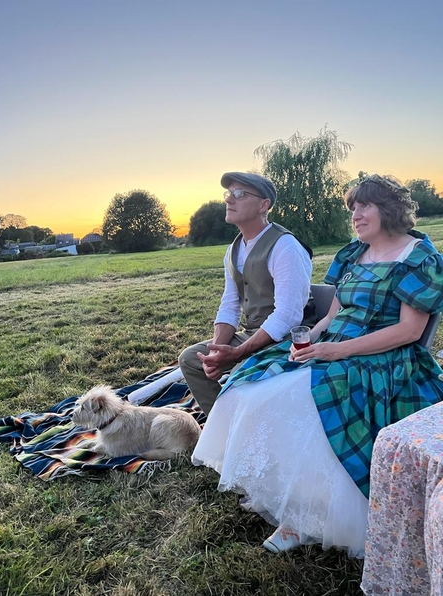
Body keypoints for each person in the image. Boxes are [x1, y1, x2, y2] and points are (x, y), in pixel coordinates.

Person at [192, 174, 443, 558]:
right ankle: (292, 500)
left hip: (381, 360)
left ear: (389, 210)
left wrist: (337, 353)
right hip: (333, 347)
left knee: (300, 402)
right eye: (353, 208)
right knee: (248, 384)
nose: (356, 215)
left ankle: (309, 520)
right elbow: (335, 312)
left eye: (364, 206)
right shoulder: (354, 253)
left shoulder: (419, 258)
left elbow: (409, 331)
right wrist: (313, 336)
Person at [179, 171, 314, 416]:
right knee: (190, 359)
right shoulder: (234, 249)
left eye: (240, 194)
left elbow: (288, 316)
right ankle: (222, 425)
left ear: (264, 205)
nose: (230, 199)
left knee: (243, 368)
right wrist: (215, 354)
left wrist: (241, 351)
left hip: (290, 340)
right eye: (229, 194)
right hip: (254, 333)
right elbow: (230, 306)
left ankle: (248, 430)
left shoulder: (286, 247)